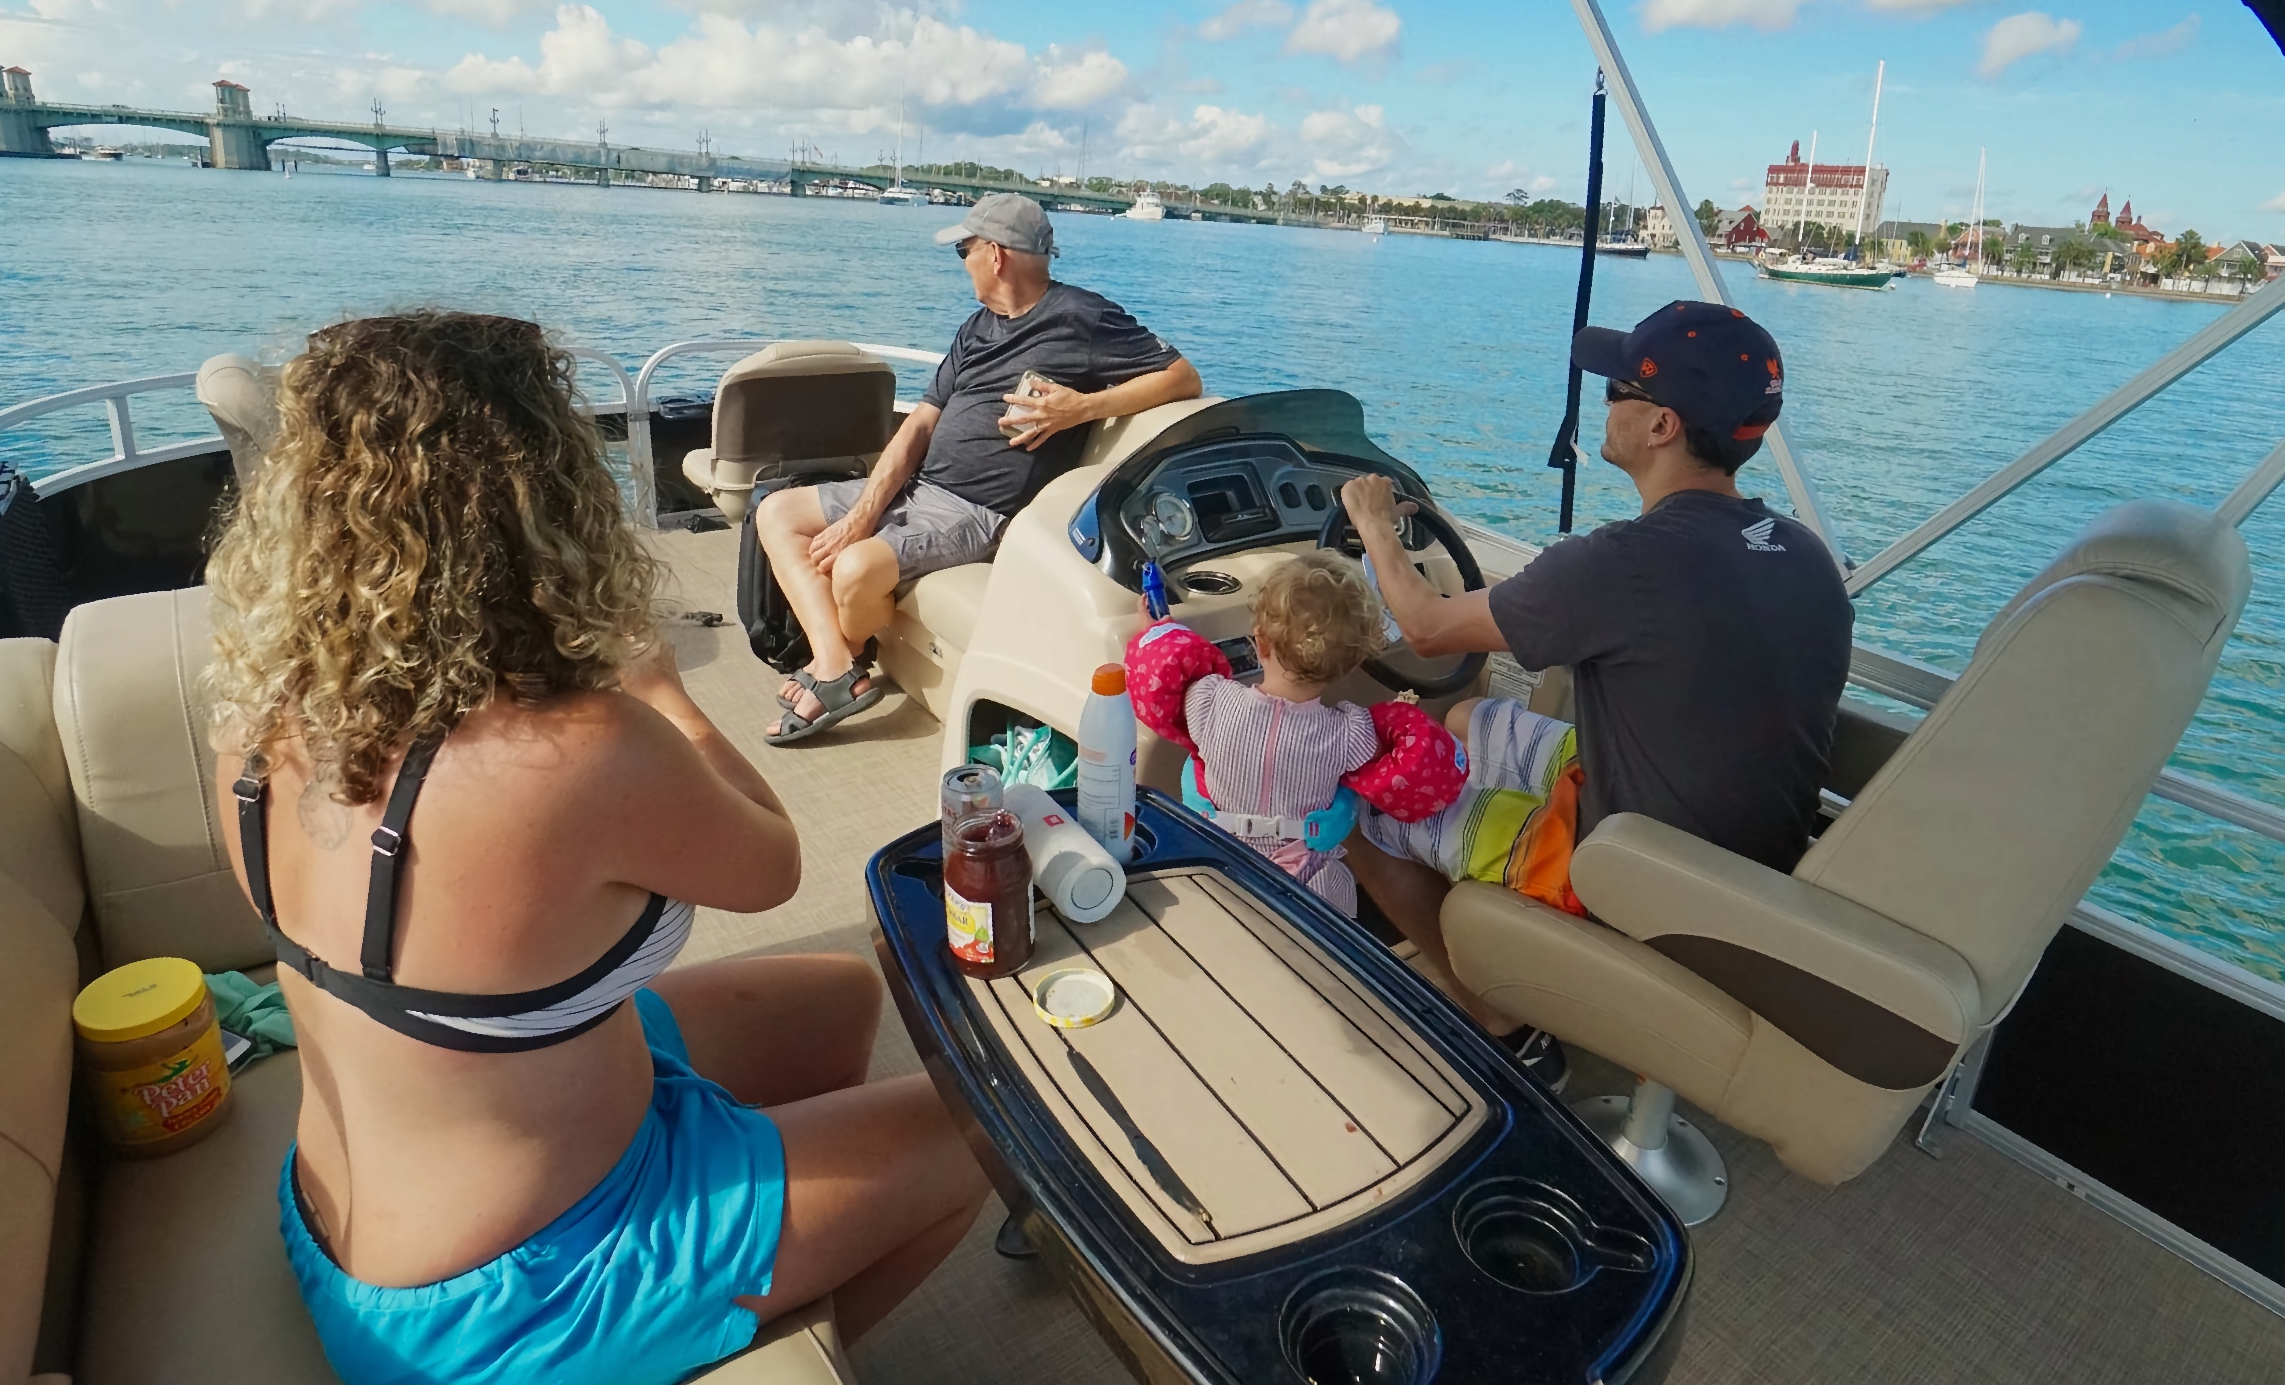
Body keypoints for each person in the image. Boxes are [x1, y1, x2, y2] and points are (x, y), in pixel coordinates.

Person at [206, 312, 988, 1385]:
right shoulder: (580, 752)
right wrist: (662, 691)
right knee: (980, 1133)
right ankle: (734, 1332)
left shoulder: (257, 726)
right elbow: (772, 863)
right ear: (542, 499)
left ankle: (764, 1232)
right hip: (517, 1295)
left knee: (837, 998)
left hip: (341, 1214)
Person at [1337, 300, 1853, 1091]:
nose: (1602, 401)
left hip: (1641, 876)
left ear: (1662, 426)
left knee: (1360, 811)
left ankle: (1501, 1020)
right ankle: (1506, 933)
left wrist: (1372, 523)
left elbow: (1428, 627)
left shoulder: (1625, 563)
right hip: (1748, 859)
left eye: (1617, 390)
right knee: (1472, 717)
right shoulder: (1800, 550)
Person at [758, 192, 1203, 743]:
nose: (962, 261)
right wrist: (863, 513)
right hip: (921, 488)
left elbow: (1183, 378)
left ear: (996, 255)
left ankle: (837, 666)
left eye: (964, 250)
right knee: (776, 512)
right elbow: (919, 426)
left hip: (981, 511)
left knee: (851, 569)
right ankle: (836, 665)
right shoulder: (975, 328)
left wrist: (1081, 408)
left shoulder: (1082, 318)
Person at [1123, 551, 1466, 914]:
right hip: (1308, 884)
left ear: (1260, 642)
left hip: (1219, 863)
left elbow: (1162, 663)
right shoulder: (1353, 734)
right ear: (1351, 663)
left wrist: (1159, 631)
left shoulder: (1205, 700)